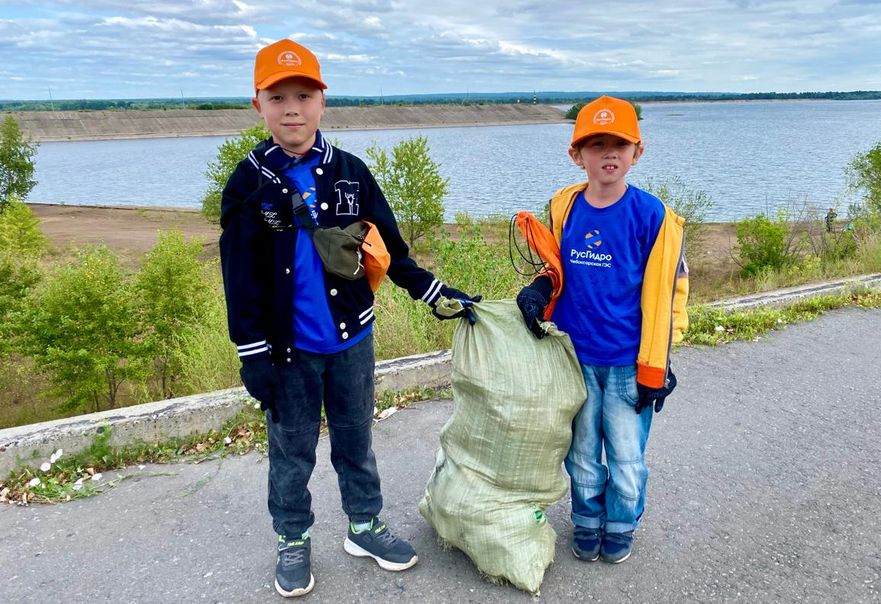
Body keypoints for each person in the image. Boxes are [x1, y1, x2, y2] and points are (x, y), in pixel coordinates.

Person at [219, 39, 478, 598]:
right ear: (257, 104)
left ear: (322, 101)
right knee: (291, 451)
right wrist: (251, 353)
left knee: (356, 441)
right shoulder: (247, 184)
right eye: (278, 96)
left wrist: (433, 292)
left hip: (352, 341)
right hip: (287, 352)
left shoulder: (351, 173)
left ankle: (364, 527)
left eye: (304, 95)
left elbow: (391, 249)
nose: (293, 108)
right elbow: (238, 277)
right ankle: (293, 539)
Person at [516, 96, 689, 564]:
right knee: (583, 453)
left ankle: (621, 523)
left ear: (638, 151)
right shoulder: (565, 208)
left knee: (627, 456)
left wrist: (662, 362)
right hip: (575, 357)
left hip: (629, 362)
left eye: (619, 144)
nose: (608, 153)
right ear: (577, 154)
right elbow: (553, 268)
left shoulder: (652, 216)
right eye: (596, 144)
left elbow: (670, 293)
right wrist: (536, 290)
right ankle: (587, 521)